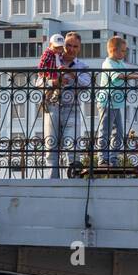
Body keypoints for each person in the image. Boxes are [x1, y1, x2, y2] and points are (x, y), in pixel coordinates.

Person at [96, 35, 138, 169]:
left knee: (118, 132)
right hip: (107, 102)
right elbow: (119, 75)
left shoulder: (120, 63)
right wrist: (137, 76)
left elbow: (127, 73)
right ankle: (103, 159)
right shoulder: (108, 63)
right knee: (105, 131)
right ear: (113, 50)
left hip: (116, 103)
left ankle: (113, 159)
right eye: (123, 51)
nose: (125, 53)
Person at [52, 32, 92, 178]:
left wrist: (71, 72)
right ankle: (52, 180)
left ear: (79, 48)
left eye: (75, 46)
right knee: (51, 147)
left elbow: (87, 83)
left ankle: (74, 178)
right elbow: (38, 82)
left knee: (72, 145)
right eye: (68, 45)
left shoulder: (82, 66)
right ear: (63, 45)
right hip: (52, 107)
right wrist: (54, 82)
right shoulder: (53, 60)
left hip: (72, 108)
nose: (71, 49)